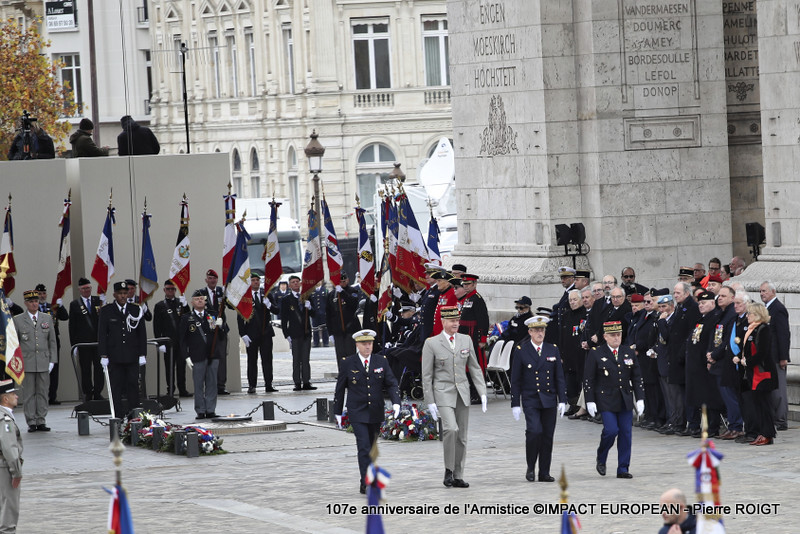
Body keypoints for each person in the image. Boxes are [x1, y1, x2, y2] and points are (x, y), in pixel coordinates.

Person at [421, 306, 487, 488]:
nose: (456, 324)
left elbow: (474, 367)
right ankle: (448, 469)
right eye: (452, 321)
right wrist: (430, 401)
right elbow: (426, 375)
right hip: (442, 392)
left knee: (462, 437)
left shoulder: (466, 340)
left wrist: (482, 392)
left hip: (462, 393)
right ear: (443, 322)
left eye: (457, 320)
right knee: (451, 429)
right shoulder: (432, 343)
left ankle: (458, 474)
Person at [333, 329, 400, 494]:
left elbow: (391, 383)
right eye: (364, 344)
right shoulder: (348, 363)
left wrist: (396, 403)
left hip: (375, 410)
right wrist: (338, 411)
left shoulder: (381, 361)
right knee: (363, 446)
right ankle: (366, 481)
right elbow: (340, 388)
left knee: (371, 446)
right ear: (357, 345)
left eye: (369, 343)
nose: (367, 347)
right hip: (357, 411)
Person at [584, 321, 645, 478]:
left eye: (618, 334)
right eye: (612, 335)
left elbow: (637, 377)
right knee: (611, 430)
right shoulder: (596, 352)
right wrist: (589, 400)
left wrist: (640, 398)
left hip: (624, 398)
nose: (616, 338)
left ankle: (623, 468)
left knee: (626, 433)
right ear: (605, 336)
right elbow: (589, 379)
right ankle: (601, 456)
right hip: (605, 398)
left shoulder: (628, 352)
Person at [510, 315, 567, 482]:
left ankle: (544, 472)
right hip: (531, 398)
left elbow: (559, 377)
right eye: (536, 330)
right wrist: (515, 403)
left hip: (549, 398)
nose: (540, 333)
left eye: (542, 329)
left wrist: (562, 399)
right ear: (530, 332)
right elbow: (516, 379)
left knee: (548, 436)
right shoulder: (522, 350)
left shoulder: (552, 349)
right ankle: (530, 466)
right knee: (534, 431)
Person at [98, 281, 148, 418]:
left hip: (132, 355)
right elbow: (102, 334)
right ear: (114, 294)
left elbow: (141, 334)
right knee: (116, 388)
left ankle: (135, 417)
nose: (123, 296)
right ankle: (118, 416)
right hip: (115, 356)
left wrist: (142, 353)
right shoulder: (107, 311)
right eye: (120, 293)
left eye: (125, 293)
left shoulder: (135, 309)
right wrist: (103, 354)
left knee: (133, 386)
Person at [13, 290, 57, 432]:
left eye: (36, 301)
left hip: (44, 361)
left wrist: (52, 360)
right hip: (27, 362)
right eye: (31, 302)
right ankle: (31, 421)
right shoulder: (18, 320)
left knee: (43, 392)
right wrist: (17, 363)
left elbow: (52, 341)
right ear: (26, 303)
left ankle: (41, 420)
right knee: (29, 393)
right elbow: (15, 343)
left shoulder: (46, 318)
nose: (34, 304)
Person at [736, 302, 778, 445]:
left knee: (764, 405)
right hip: (753, 373)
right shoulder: (751, 329)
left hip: (763, 373)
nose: (747, 316)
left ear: (758, 315)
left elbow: (762, 353)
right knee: (758, 405)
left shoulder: (763, 329)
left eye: (750, 314)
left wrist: (747, 362)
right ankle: (762, 432)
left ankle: (767, 434)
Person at [180, 290, 221, 419]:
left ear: (205, 301)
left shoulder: (212, 316)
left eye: (202, 298)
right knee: (198, 384)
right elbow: (182, 339)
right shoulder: (187, 318)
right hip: (197, 355)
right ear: (192, 302)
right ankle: (200, 410)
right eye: (196, 298)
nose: (199, 300)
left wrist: (222, 326)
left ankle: (210, 409)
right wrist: (186, 356)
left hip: (213, 354)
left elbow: (220, 335)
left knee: (212, 383)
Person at [237, 273, 278, 393]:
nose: (255, 282)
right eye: (253, 280)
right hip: (251, 334)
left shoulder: (266, 294)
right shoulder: (245, 297)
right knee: (252, 360)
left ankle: (269, 384)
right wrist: (243, 334)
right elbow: (240, 317)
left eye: (257, 280)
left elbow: (277, 310)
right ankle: (252, 385)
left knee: (267, 360)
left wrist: (269, 305)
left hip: (266, 333)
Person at [760, 281, 790, 431]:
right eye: (760, 291)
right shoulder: (766, 309)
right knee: (771, 389)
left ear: (773, 292)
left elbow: (783, 334)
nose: (762, 294)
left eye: (764, 291)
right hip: (767, 357)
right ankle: (773, 418)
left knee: (778, 391)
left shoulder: (778, 308)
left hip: (777, 357)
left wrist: (783, 356)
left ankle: (781, 420)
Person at [68, 277, 104, 402]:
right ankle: (88, 393)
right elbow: (72, 326)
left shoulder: (98, 301)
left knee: (99, 368)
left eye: (88, 288)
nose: (86, 290)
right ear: (79, 290)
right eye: (83, 288)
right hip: (83, 343)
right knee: (85, 369)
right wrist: (74, 345)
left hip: (98, 342)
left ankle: (98, 392)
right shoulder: (75, 304)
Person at [153, 280, 190, 397]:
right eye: (168, 289)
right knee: (169, 367)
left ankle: (182, 389)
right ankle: (170, 390)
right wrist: (160, 342)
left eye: (173, 289)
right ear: (164, 290)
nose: (171, 291)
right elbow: (157, 326)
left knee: (181, 367)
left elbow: (189, 318)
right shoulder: (160, 306)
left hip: (181, 341)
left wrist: (186, 306)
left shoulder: (180, 303)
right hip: (168, 342)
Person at [197, 269, 231, 395]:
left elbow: (231, 306)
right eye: (210, 278)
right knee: (208, 358)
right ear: (206, 280)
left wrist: (229, 295)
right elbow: (199, 310)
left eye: (214, 279)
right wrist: (212, 321)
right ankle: (210, 385)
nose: (212, 280)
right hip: (207, 332)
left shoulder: (221, 292)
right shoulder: (200, 292)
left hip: (221, 331)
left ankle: (221, 385)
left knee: (221, 359)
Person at [280, 275, 315, 391]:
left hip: (306, 333)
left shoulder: (306, 296)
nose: (295, 284)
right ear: (289, 285)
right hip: (294, 333)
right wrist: (287, 335)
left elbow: (315, 314)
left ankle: (306, 381)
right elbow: (284, 319)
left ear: (300, 284)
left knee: (305, 359)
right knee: (296, 359)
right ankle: (297, 382)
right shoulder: (286, 300)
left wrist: (310, 308)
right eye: (293, 282)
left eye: (297, 282)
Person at [35, 283, 68, 406]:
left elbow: (65, 317)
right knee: (40, 371)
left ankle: (52, 397)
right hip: (39, 343)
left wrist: (61, 306)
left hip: (53, 343)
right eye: (39, 294)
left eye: (43, 293)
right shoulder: (34, 308)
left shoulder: (52, 307)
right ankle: (40, 397)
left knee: (54, 371)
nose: (42, 296)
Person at [0, 379, 23, 534]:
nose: (17, 396)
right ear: (5, 399)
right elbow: (9, 447)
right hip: (5, 467)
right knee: (9, 508)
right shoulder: (5, 419)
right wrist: (16, 472)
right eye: (13, 394)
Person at [326, 272, 361, 370]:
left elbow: (353, 304)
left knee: (350, 354)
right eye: (340, 281)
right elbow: (328, 315)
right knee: (340, 355)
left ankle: (352, 373)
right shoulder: (331, 295)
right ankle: (342, 374)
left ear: (348, 280)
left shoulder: (352, 291)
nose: (342, 283)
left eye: (344, 281)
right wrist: (330, 333)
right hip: (337, 330)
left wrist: (343, 293)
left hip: (350, 328)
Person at [310, 282, 329, 348]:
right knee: (315, 328)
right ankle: (316, 342)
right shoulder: (311, 291)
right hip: (314, 313)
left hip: (323, 312)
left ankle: (326, 342)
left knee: (324, 327)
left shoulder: (325, 291)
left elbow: (327, 302)